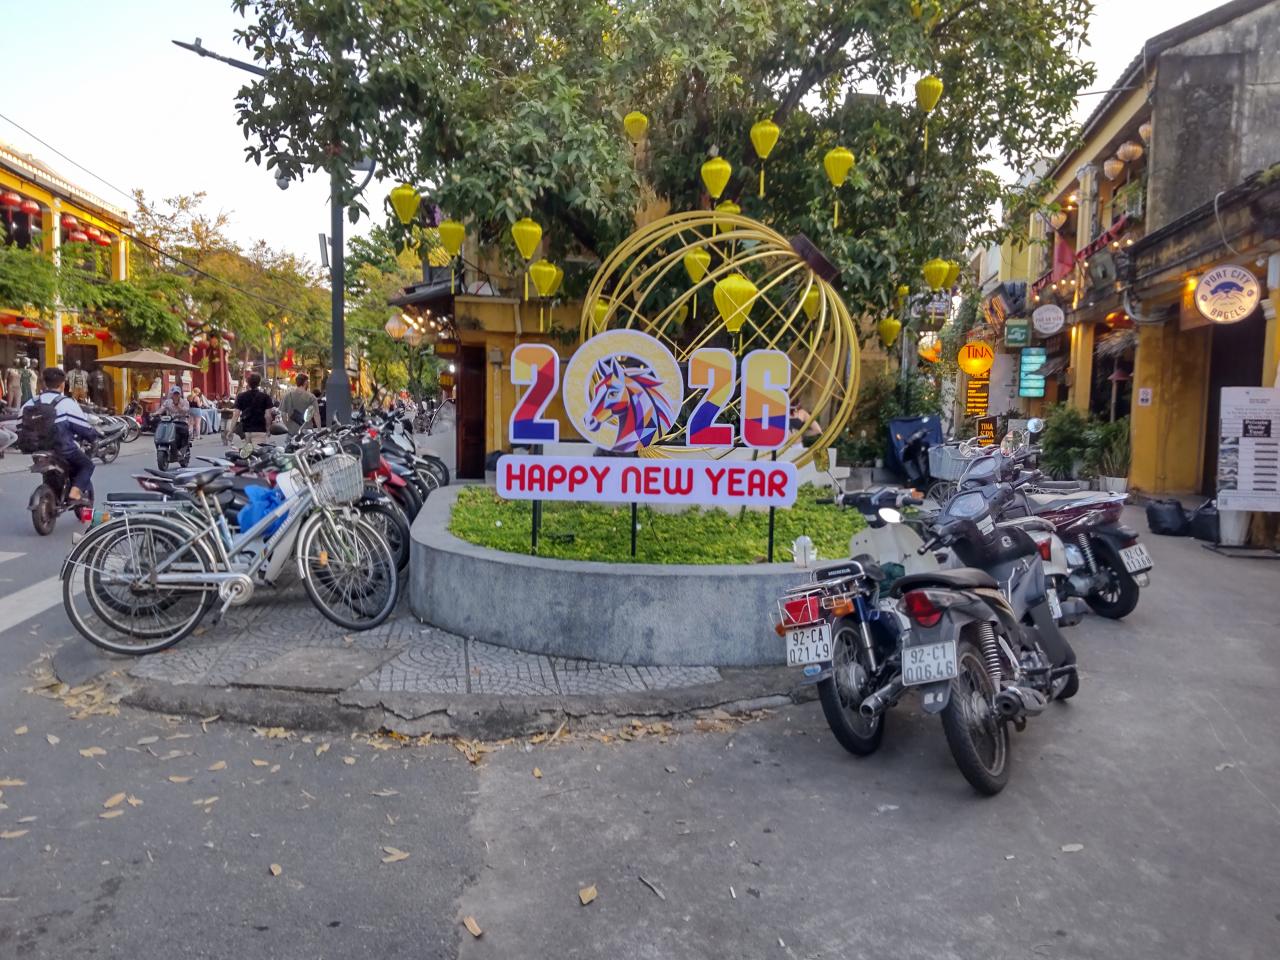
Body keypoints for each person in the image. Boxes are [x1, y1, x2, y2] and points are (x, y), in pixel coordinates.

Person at [21, 367, 97, 502]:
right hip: (63, 449)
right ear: (62, 385)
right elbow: (83, 427)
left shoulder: (30, 403)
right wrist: (92, 436)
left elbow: (19, 425)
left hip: (36, 449)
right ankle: (75, 493)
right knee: (87, 465)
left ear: (43, 383)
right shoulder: (66, 403)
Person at [229, 372, 276, 445]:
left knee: (246, 451)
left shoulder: (241, 396)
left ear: (248, 383)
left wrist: (231, 431)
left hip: (245, 431)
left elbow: (236, 415)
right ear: (259, 383)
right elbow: (267, 416)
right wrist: (268, 430)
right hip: (260, 430)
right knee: (258, 451)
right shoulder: (265, 397)